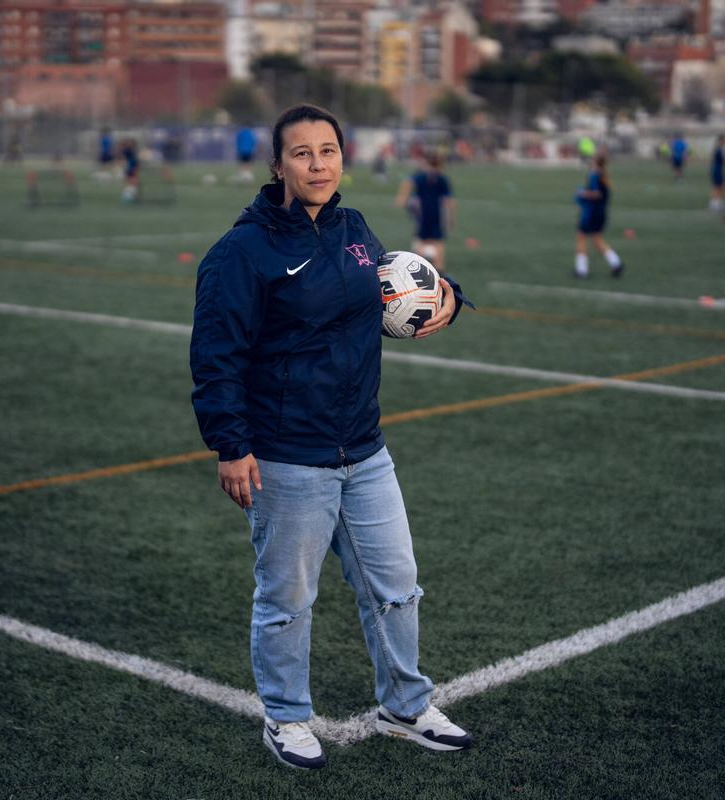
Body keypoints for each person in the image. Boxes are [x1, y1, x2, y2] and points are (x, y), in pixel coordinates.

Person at [190, 103, 473, 771]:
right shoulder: (243, 252)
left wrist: (449, 295)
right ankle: (286, 717)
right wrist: (231, 445)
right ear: (277, 166)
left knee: (396, 587)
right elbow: (216, 356)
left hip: (364, 450)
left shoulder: (354, 230)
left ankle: (405, 706)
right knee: (288, 601)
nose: (318, 165)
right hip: (288, 458)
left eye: (328, 151)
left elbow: (396, 287)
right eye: (302, 153)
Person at [394, 151, 455, 272]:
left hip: (422, 213)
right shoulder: (442, 178)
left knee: (421, 240)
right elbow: (449, 201)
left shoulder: (421, 176)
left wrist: (402, 198)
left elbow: (407, 183)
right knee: (438, 242)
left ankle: (419, 268)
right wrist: (450, 219)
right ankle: (439, 269)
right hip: (436, 214)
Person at [573, 151, 623, 279]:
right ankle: (616, 263)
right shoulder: (603, 174)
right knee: (597, 240)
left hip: (591, 212)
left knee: (581, 237)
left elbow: (596, 194)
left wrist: (582, 193)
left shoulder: (595, 174)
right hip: (601, 212)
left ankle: (581, 270)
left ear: (596, 161)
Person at [708, 135, 725, 216]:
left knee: (721, 186)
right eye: (724, 140)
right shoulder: (719, 149)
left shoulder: (719, 149)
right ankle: (714, 204)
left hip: (719, 169)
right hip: (717, 170)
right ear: (721, 140)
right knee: (717, 187)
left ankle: (718, 203)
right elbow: (723, 160)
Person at [120, 138, 139, 203]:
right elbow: (126, 160)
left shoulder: (130, 151)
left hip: (132, 167)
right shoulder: (128, 151)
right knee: (132, 182)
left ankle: (130, 195)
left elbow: (134, 161)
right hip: (131, 167)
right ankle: (128, 196)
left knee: (132, 182)